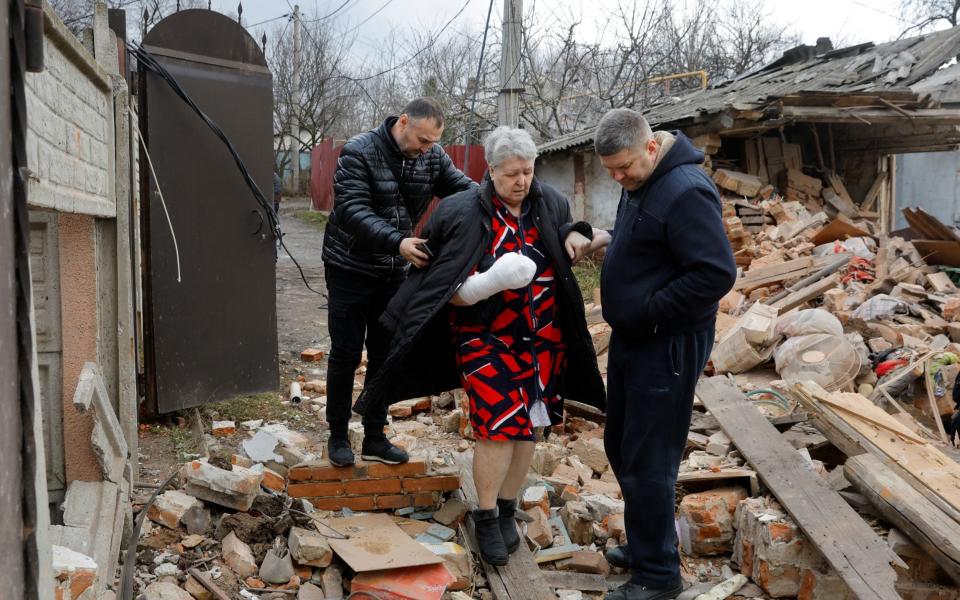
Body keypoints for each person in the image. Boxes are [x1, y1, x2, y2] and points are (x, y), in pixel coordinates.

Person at [353, 126, 606, 565]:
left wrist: (579, 233)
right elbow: (438, 285)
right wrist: (489, 283)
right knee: (497, 426)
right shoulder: (459, 211)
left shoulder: (550, 202)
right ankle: (486, 515)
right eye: (512, 174)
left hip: (543, 337)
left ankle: (508, 510)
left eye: (528, 172)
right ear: (490, 171)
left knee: (530, 425)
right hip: (483, 336)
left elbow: (568, 233)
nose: (522, 182)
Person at [590, 109, 737, 600]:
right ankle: (646, 543)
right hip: (637, 339)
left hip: (666, 343)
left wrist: (651, 311)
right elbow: (655, 248)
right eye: (609, 170)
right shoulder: (642, 183)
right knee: (622, 446)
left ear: (651, 147)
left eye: (624, 167)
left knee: (649, 459)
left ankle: (658, 576)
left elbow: (715, 273)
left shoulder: (686, 190)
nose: (618, 178)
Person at [321, 98, 477, 466]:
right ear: (403, 122)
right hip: (349, 267)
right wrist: (398, 242)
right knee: (345, 353)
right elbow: (352, 210)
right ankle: (337, 436)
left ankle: (375, 436)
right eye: (422, 140)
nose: (427, 149)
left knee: (385, 354)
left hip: (395, 273)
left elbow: (466, 190)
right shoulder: (358, 152)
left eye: (432, 142)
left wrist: (505, 191)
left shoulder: (432, 157)